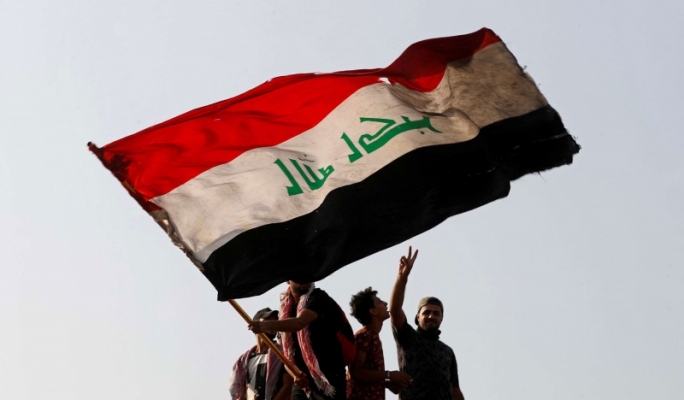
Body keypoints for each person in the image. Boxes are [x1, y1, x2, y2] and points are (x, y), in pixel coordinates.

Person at [250, 281, 354, 400]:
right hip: (303, 383)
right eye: (298, 276)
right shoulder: (285, 308)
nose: (304, 279)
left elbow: (300, 322)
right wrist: (295, 375)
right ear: (288, 280)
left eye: (308, 275)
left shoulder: (318, 297)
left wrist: (266, 325)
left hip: (328, 379)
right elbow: (286, 356)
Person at [389, 247, 465, 400]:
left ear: (441, 318)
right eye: (426, 312)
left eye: (436, 313)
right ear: (418, 317)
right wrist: (402, 278)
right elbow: (395, 310)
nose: (431, 316)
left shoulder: (447, 352)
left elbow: (455, 389)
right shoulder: (408, 337)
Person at [346, 287, 413, 400]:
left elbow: (368, 374)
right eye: (380, 302)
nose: (386, 303)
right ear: (373, 311)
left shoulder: (372, 336)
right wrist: (388, 375)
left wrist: (387, 383)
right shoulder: (365, 335)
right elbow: (356, 372)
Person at [229, 307, 293, 400]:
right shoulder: (245, 360)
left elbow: (288, 385)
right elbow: (243, 389)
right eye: (268, 319)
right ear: (255, 324)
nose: (272, 323)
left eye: (275, 320)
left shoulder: (282, 353)